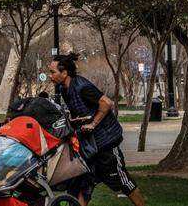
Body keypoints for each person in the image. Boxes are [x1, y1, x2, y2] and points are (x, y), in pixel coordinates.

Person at [48, 53, 146, 206]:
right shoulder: (64, 89)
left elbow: (106, 103)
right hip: (90, 145)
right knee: (82, 183)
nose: (50, 76)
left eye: (53, 72)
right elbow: (82, 111)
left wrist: (93, 123)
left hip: (106, 142)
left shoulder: (82, 86)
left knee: (123, 181)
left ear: (65, 72)